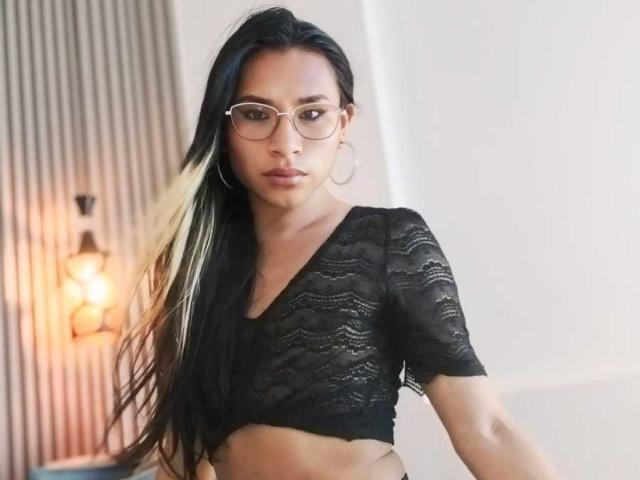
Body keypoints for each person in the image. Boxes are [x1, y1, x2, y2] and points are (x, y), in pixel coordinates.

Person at [101, 6, 561, 480]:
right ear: (224, 127)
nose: (286, 143)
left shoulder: (389, 243)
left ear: (344, 123)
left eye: (312, 114)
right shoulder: (193, 264)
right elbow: (180, 457)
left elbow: (486, 429)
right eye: (256, 114)